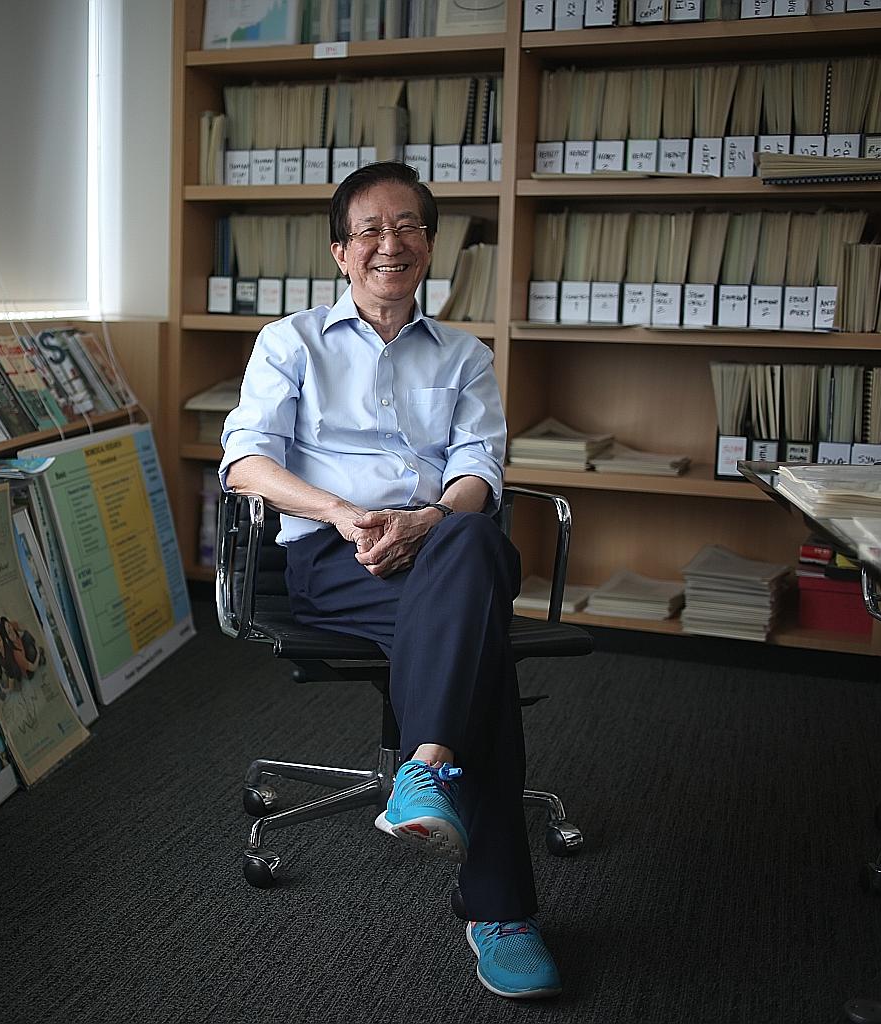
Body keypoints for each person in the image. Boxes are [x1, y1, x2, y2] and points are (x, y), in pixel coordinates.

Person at [219, 162, 560, 1000]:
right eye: (368, 230)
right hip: (338, 556)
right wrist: (341, 512)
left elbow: (481, 467)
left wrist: (430, 523)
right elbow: (245, 460)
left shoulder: (466, 355)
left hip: (440, 542)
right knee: (484, 644)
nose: (389, 244)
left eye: (406, 226)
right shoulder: (290, 342)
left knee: (472, 542)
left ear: (430, 244)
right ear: (340, 252)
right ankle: (502, 912)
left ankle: (424, 764)